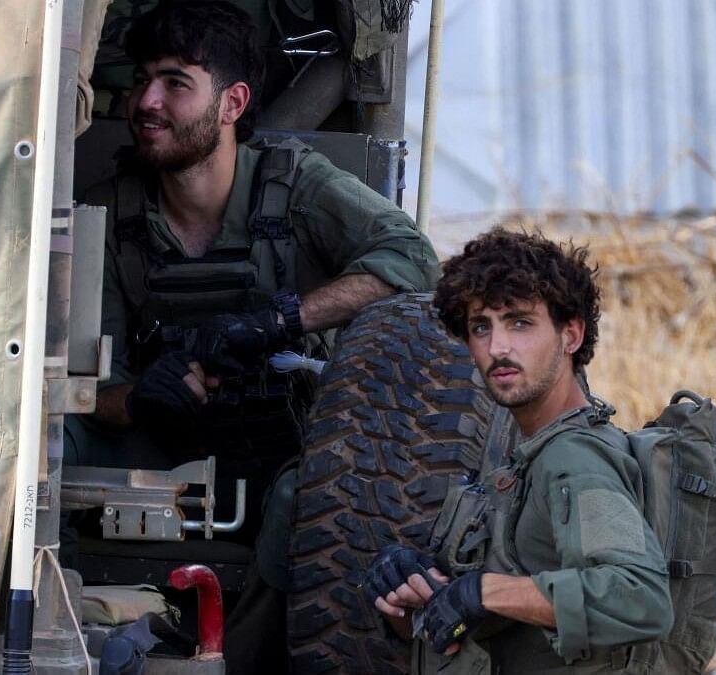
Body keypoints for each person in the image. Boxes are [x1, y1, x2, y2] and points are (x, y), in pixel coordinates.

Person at [64, 0, 438, 669]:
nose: (147, 101)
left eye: (176, 83)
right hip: (163, 441)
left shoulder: (291, 183)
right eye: (144, 79)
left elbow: (414, 263)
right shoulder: (110, 209)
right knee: (48, 441)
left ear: (233, 102)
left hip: (278, 439)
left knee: (307, 497)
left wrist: (280, 321)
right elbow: (86, 387)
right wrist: (141, 397)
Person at [364, 228, 672, 673]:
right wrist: (416, 587)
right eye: (480, 327)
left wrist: (482, 592)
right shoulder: (522, 457)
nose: (497, 348)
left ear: (571, 336)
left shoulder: (575, 459)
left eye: (520, 323)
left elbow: (639, 597)